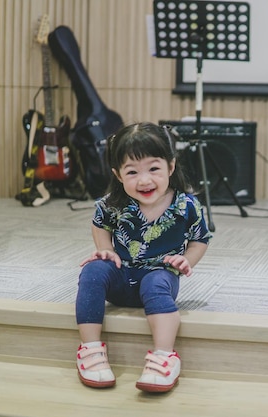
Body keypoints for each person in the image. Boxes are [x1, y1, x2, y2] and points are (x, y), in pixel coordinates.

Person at [75, 122, 211, 393]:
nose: (144, 180)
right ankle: (90, 349)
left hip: (159, 277)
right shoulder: (115, 203)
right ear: (118, 174)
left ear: (170, 167)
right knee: (92, 270)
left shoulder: (186, 205)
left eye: (154, 169)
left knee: (156, 281)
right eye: (132, 172)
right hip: (121, 275)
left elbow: (200, 239)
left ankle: (164, 355)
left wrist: (186, 260)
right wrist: (107, 250)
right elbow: (99, 223)